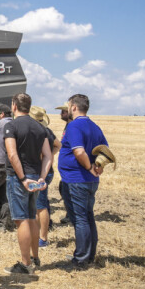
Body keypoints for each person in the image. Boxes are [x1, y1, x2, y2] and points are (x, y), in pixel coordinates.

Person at [3, 93, 52, 275]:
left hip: (19, 178)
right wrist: (41, 177)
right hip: (35, 177)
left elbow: (12, 154)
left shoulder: (11, 126)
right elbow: (48, 155)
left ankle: (25, 264)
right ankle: (35, 257)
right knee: (32, 217)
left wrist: (23, 178)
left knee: (21, 219)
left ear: (14, 105)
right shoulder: (40, 128)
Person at [58, 94, 107, 270]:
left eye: (68, 105)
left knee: (80, 219)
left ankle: (81, 259)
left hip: (76, 179)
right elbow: (105, 152)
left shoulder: (74, 126)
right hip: (90, 180)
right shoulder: (95, 127)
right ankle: (89, 254)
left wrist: (88, 168)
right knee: (88, 217)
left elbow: (78, 152)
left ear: (73, 107)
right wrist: (98, 167)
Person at [29, 106, 59, 248]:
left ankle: (42, 238)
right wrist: (50, 155)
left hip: (40, 172)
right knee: (42, 203)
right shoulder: (47, 131)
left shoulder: (36, 132)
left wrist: (46, 156)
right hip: (48, 170)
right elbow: (58, 145)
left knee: (39, 206)